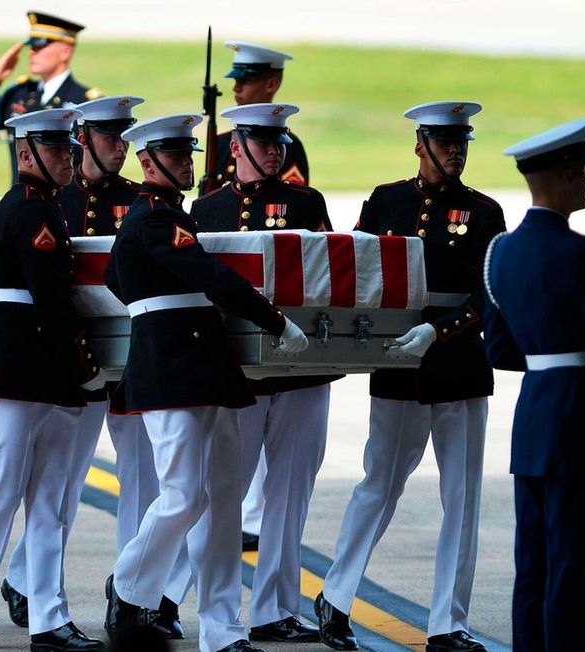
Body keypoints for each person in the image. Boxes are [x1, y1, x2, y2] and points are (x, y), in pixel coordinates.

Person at [102, 113, 309, 652]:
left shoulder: (169, 216)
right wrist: (276, 322)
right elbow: (209, 276)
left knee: (221, 505)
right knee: (184, 495)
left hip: (204, 366)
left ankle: (222, 629)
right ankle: (127, 584)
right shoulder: (152, 218)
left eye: (189, 154)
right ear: (147, 163)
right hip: (171, 369)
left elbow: (115, 278)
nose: (187, 163)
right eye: (174, 156)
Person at [315, 101, 504, 652]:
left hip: (459, 362)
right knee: (379, 485)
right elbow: (356, 267)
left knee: (461, 499)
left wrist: (440, 331)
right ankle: (337, 595)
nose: (455, 151)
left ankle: (448, 623)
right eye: (445, 142)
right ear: (419, 144)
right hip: (399, 361)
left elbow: (488, 292)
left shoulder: (484, 211)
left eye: (462, 142)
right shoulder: (387, 200)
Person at [0, 108, 107, 652]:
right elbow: (52, 297)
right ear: (26, 153)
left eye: (69, 149)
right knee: (3, 488)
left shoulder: (45, 209)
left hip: (42, 366)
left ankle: (48, 618)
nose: (68, 158)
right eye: (56, 150)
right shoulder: (32, 212)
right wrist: (83, 361)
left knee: (51, 496)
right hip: (17, 365)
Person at [482, 119, 585, 651]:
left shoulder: (500, 252)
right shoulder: (582, 252)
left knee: (532, 564)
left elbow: (500, 349)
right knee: (575, 566)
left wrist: (548, 354)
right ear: (559, 176)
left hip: (532, 417)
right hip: (577, 421)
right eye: (579, 173)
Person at [178, 102, 333, 644]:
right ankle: (212, 613)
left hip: (301, 373)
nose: (275, 151)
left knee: (289, 500)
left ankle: (275, 609)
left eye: (281, 143)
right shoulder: (206, 209)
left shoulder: (306, 203)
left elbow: (327, 280)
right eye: (264, 143)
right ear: (237, 147)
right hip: (238, 376)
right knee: (221, 499)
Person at [0, 95, 149, 632]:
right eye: (112, 139)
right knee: (64, 483)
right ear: (84, 142)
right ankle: (26, 579)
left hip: (132, 359)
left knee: (142, 477)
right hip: (76, 357)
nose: (122, 148)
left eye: (126, 138)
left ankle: (135, 595)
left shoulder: (139, 200)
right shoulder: (50, 201)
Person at [0, 11, 101, 182]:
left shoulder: (86, 103)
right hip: (23, 203)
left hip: (64, 206)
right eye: (31, 46)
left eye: (41, 45)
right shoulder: (19, 94)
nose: (32, 52)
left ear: (65, 52)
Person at [208, 41, 309, 188]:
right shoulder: (222, 143)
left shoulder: (287, 146)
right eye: (236, 81)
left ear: (271, 85)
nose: (236, 88)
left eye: (246, 81)